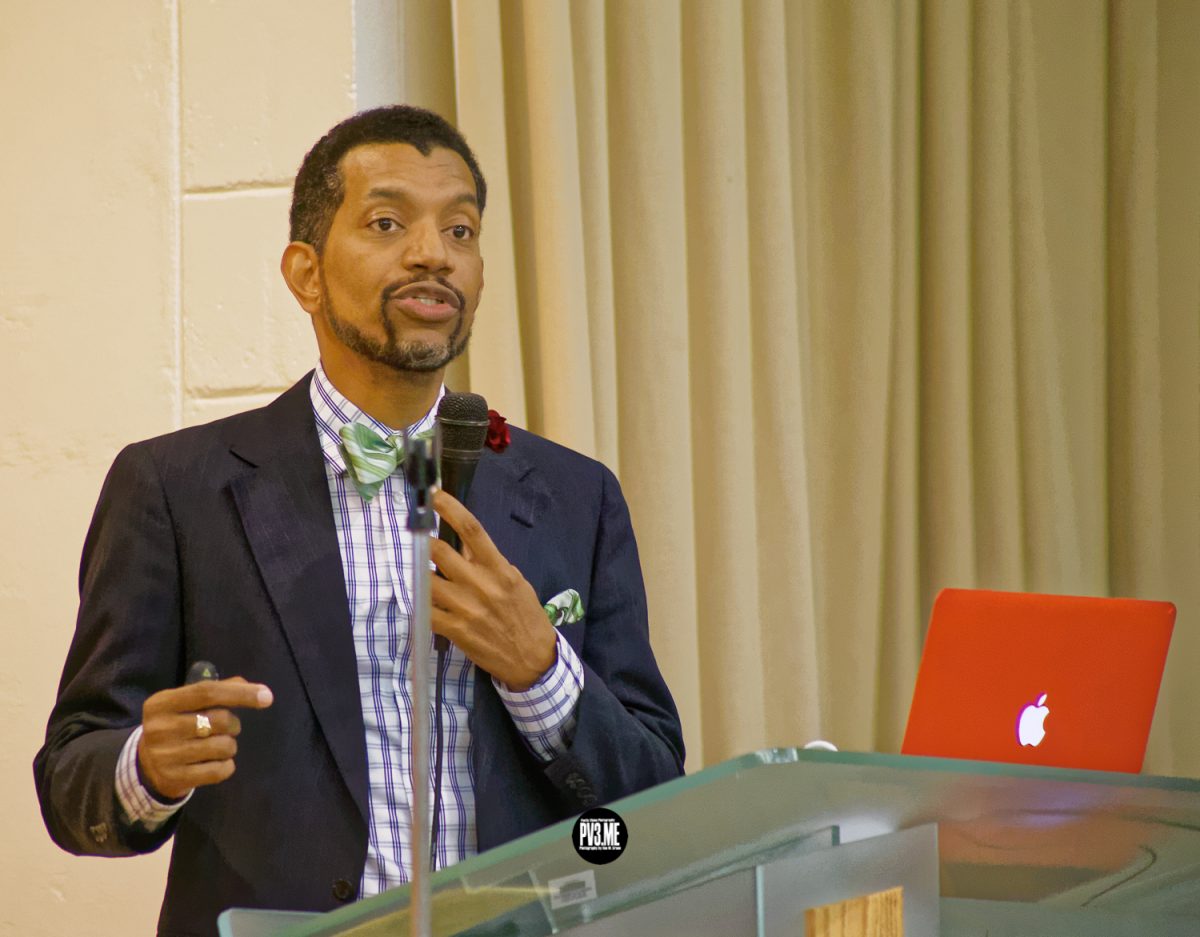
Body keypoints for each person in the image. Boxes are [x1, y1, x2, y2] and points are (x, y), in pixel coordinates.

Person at [34, 105, 684, 937]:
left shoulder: (576, 495)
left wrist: (540, 670)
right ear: (305, 273)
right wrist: (146, 768)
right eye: (388, 222)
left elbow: (650, 801)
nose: (432, 253)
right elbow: (72, 777)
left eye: (461, 229)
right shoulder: (174, 488)